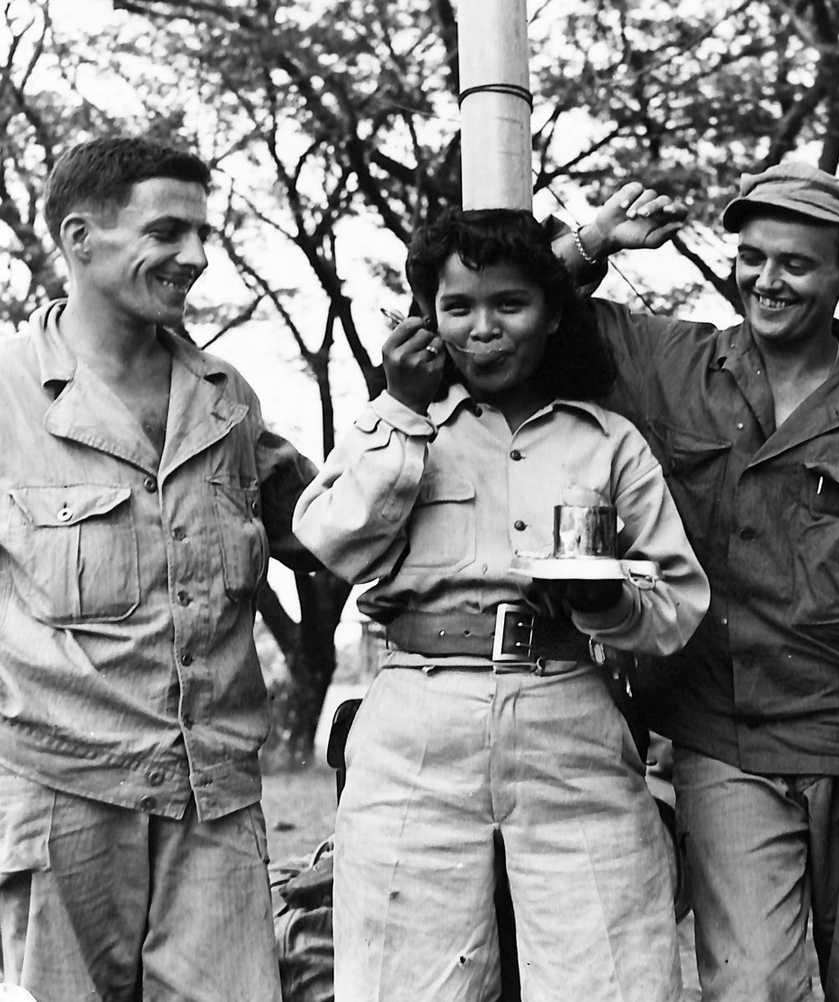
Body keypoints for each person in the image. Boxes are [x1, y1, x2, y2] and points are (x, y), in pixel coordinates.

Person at [292, 207, 709, 1002]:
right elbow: (332, 540)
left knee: (611, 973)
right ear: (429, 317)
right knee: (402, 982)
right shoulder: (402, 425)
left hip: (568, 714)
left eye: (510, 305)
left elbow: (677, 601)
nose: (483, 330)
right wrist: (402, 410)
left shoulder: (607, 439)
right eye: (458, 308)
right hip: (416, 716)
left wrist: (607, 598)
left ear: (553, 315)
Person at [554, 165, 839, 1002]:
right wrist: (594, 243)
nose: (766, 281)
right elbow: (523, 315)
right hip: (722, 741)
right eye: (751, 257)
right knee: (749, 985)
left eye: (794, 264)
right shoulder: (672, 361)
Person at [0, 136, 317, 1001]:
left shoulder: (227, 396)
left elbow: (326, 526)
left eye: (204, 234)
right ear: (81, 239)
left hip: (217, 798)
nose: (194, 257)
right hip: (59, 790)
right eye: (167, 232)